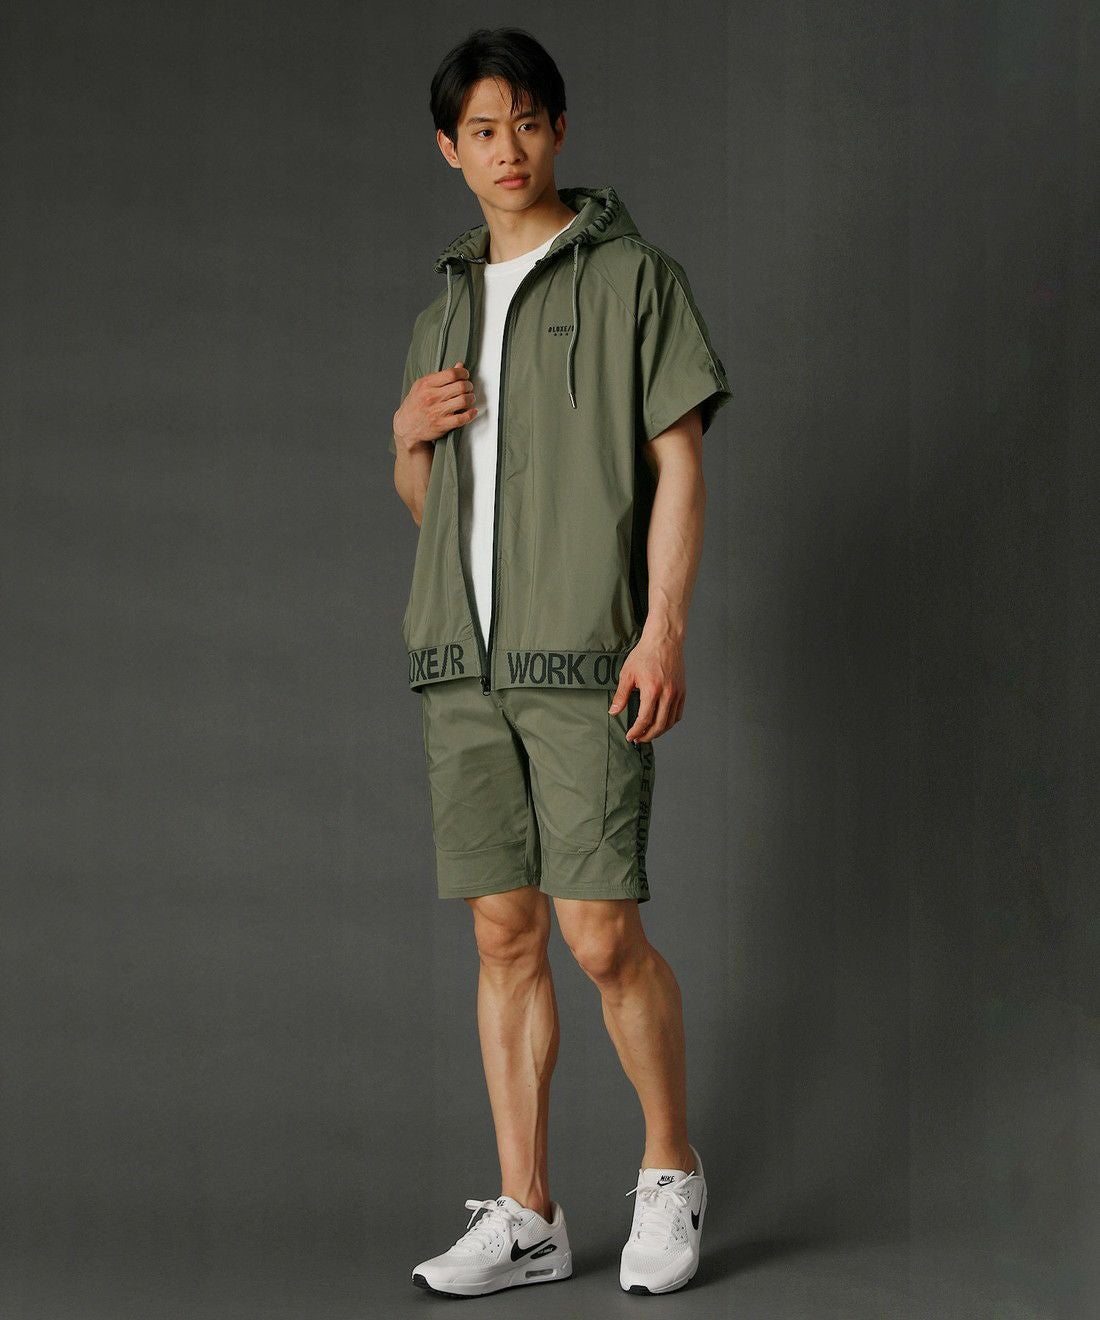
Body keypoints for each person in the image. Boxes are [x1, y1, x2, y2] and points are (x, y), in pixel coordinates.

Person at [389, 26, 733, 1298]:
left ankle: (668, 1169)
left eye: (527, 123)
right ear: (449, 148)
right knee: (503, 934)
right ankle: (527, 1213)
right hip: (461, 667)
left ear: (558, 131)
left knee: (597, 935)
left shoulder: (634, 279)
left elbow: (679, 464)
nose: (509, 149)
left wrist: (662, 627)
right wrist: (405, 435)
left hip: (585, 657)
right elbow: (434, 509)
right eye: (483, 130)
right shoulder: (439, 311)